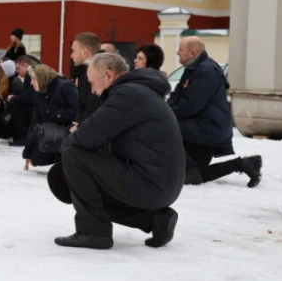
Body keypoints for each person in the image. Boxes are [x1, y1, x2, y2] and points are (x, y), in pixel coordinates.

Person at [55, 53, 185, 250]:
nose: (93, 90)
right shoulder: (137, 92)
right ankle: (153, 220)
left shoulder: (128, 94)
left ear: (108, 75)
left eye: (92, 83)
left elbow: (89, 136)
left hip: (152, 183)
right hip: (159, 183)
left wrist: (66, 144)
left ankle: (93, 233)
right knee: (73, 181)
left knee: (73, 156)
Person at [168, 36, 262, 187]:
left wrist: (167, 115)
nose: (177, 53)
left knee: (167, 126)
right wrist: (167, 109)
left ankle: (191, 167)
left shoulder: (205, 71)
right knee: (192, 174)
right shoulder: (193, 68)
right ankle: (243, 164)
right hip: (200, 129)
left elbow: (191, 105)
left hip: (206, 130)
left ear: (192, 53)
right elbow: (176, 95)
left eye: (180, 50)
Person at [22, 65, 78, 169]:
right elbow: (35, 122)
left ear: (42, 78)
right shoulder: (38, 95)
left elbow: (77, 110)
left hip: (67, 130)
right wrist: (27, 152)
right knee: (36, 159)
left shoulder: (65, 87)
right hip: (48, 133)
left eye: (34, 79)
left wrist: (58, 114)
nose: (31, 83)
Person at [71, 32, 103, 124]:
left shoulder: (94, 74)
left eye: (74, 51)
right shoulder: (82, 72)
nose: (71, 55)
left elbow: (92, 107)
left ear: (85, 52)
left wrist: (80, 127)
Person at [5, 56, 35, 146]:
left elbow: (28, 97)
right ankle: (19, 135)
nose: (16, 71)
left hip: (35, 108)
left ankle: (23, 136)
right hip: (34, 106)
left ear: (26, 65)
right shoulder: (29, 75)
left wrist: (14, 97)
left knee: (13, 104)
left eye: (18, 68)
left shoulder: (31, 76)